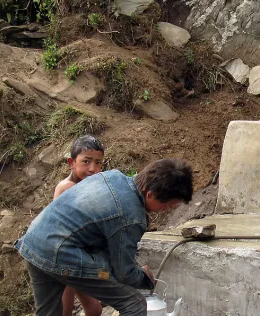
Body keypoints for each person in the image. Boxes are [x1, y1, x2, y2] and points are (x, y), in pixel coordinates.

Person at [15, 158, 193, 316]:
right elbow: (124, 274)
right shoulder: (131, 217)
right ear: (150, 194)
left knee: (48, 312)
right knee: (134, 304)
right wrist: (144, 277)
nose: (166, 210)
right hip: (61, 253)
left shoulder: (112, 177)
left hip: (34, 243)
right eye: (167, 205)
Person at [54, 135, 105, 316]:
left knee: (94, 309)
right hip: (62, 257)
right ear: (71, 162)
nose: (93, 168)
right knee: (64, 310)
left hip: (78, 257)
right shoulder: (67, 187)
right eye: (86, 161)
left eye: (98, 163)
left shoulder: (86, 186)